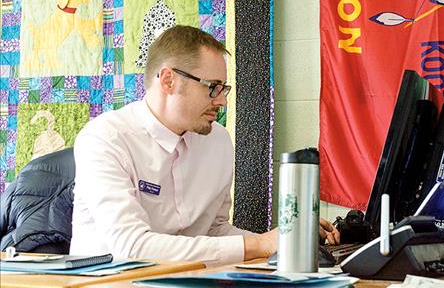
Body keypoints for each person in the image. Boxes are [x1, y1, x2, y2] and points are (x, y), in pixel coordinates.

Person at [70, 25, 339, 266]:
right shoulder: (104, 138)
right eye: (213, 87)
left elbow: (214, 231)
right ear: (168, 80)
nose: (221, 101)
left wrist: (288, 240)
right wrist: (261, 244)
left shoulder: (217, 140)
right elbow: (132, 247)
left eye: (224, 89)